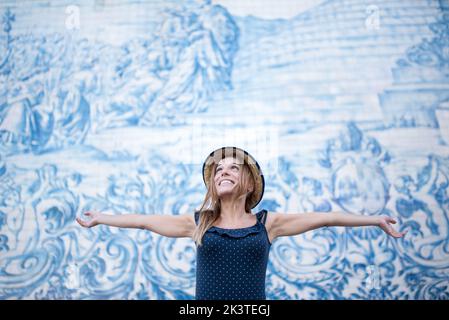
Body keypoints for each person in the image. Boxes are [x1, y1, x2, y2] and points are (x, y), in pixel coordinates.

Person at [76, 146, 407, 300]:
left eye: (233, 168)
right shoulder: (198, 222)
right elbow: (144, 222)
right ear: (212, 185)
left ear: (249, 184)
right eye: (219, 170)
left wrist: (375, 220)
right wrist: (101, 218)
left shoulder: (269, 223)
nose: (224, 171)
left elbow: (325, 218)